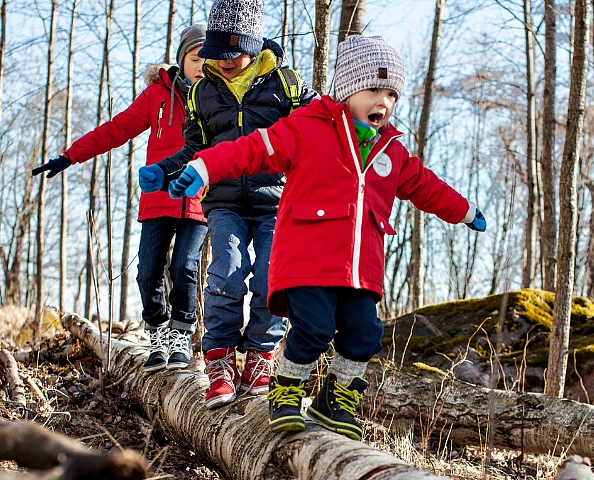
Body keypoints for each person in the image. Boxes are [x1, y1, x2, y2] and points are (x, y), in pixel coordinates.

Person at [167, 35, 487, 439]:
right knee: (314, 328)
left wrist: (466, 211)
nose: (383, 102)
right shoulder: (308, 129)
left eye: (391, 94)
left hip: (359, 271)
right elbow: (252, 149)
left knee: (366, 334)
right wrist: (206, 167)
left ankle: (333, 400)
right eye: (373, 90)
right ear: (348, 90)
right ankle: (285, 391)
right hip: (306, 263)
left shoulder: (391, 151)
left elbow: (427, 186)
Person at [139, 0, 317, 409]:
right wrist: (165, 170)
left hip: (276, 201)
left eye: (231, 52)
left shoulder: (284, 84)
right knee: (226, 273)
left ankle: (259, 357)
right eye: (215, 53)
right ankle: (219, 361)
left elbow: (317, 125)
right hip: (222, 202)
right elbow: (194, 147)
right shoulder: (203, 91)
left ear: (252, 46)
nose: (222, 62)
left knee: (274, 281)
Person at [32, 25, 209, 373]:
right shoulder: (157, 96)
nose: (202, 64)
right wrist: (70, 155)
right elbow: (117, 129)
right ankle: (157, 330)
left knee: (185, 267)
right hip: (158, 198)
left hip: (197, 198)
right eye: (194, 58)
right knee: (147, 273)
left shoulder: (215, 97)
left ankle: (181, 334)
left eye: (207, 58)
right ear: (181, 61)